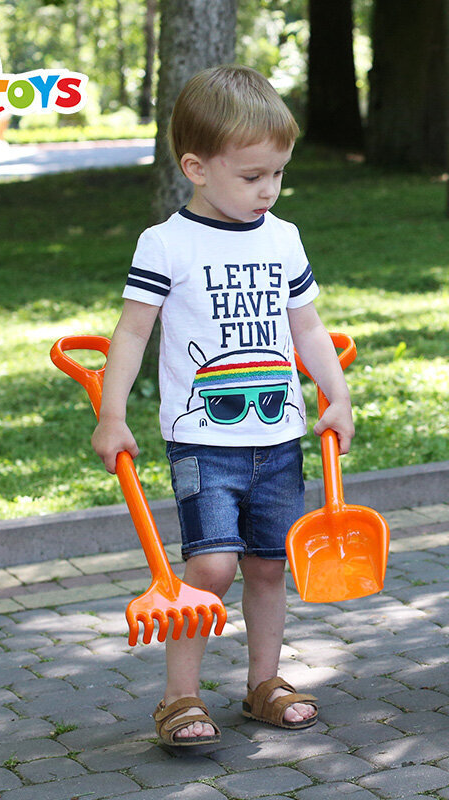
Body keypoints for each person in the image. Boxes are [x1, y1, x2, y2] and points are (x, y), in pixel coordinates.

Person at [92, 65, 353, 746]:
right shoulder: (166, 244)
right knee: (211, 565)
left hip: (280, 435)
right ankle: (179, 698)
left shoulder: (282, 237)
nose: (267, 190)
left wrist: (338, 395)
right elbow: (131, 333)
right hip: (203, 441)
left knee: (270, 564)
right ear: (196, 168)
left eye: (277, 174)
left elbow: (308, 328)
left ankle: (263, 683)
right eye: (252, 176)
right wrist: (112, 414)